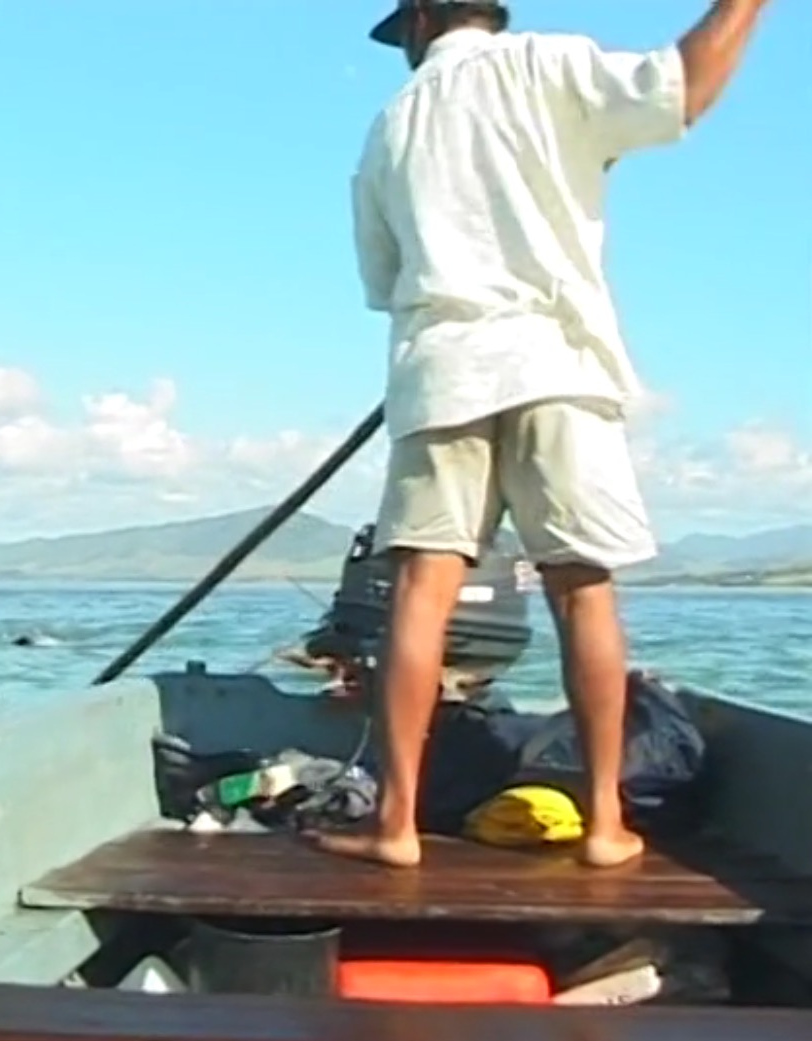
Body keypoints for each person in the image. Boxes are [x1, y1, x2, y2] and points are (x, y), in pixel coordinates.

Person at [312, 0, 773, 870]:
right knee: (580, 590)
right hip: (556, 363)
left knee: (421, 592)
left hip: (441, 368)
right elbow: (681, 89)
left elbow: (382, 277)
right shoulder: (549, 64)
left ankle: (394, 826)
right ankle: (603, 824)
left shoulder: (391, 123)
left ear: (422, 21)